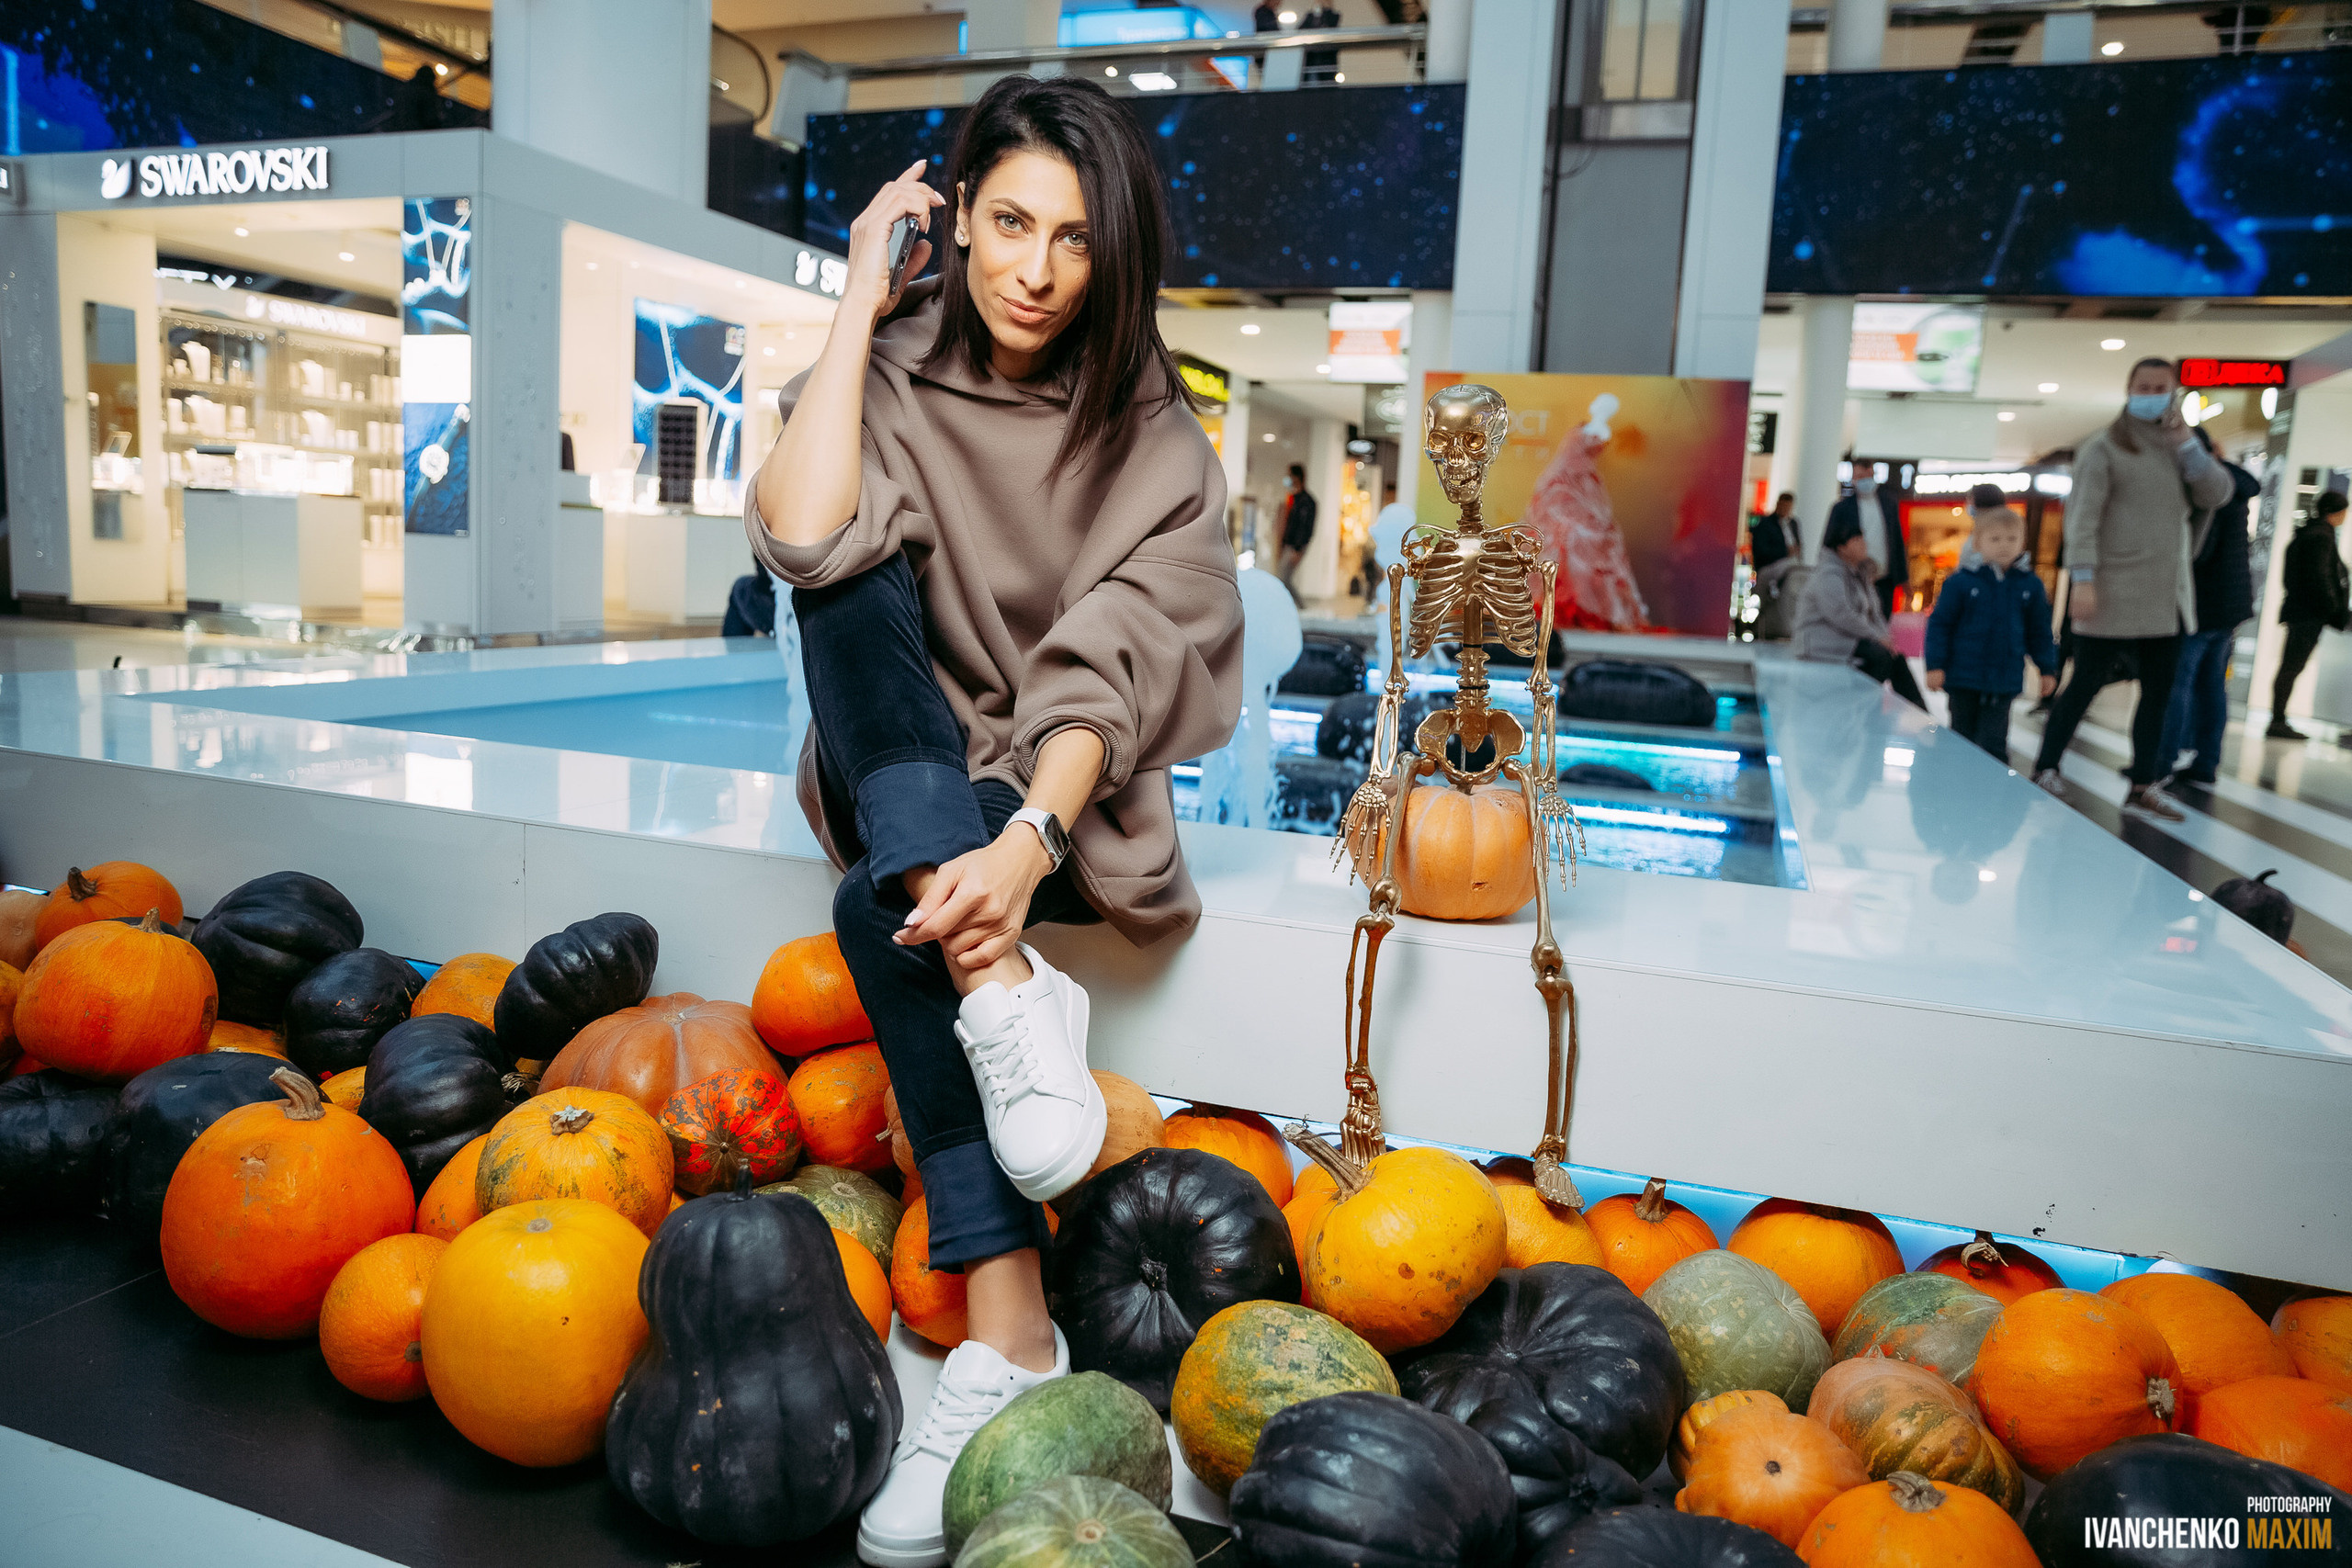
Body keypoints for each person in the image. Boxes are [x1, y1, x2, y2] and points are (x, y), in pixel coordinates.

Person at [743, 76, 1242, 1568]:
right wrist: (853, 302)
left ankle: (1009, 1331)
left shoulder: (1151, 431)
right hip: (914, 773)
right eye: (1007, 222)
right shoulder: (888, 368)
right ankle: (998, 988)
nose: (1031, 268)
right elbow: (803, 529)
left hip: (1064, 795)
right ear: (953, 220)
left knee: (869, 910)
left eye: (1073, 240)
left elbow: (1128, 649)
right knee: (841, 570)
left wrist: (1022, 842)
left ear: (1115, 257)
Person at [2030, 357, 2233, 820]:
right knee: (2082, 685)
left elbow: (2217, 494)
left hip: (2168, 594)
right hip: (2111, 588)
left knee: (2159, 694)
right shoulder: (2103, 447)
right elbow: (2083, 519)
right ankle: (2046, 766)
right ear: (2129, 389)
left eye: (2161, 386)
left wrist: (2187, 446)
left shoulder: (2183, 446)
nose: (2152, 393)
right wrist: (2082, 580)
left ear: (2176, 391)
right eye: (2144, 386)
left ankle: (2143, 783)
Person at [2158, 430, 2261, 781]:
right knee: (2211, 685)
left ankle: (2162, 759)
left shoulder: (2213, 488)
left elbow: (2199, 551)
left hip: (2204, 602)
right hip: (2231, 603)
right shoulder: (2237, 483)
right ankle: (2206, 761)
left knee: (2178, 682)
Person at [1922, 507, 2057, 760]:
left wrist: (2047, 668)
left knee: (1994, 743)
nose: (2004, 546)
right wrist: (1935, 665)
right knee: (1961, 739)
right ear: (1977, 542)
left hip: (2004, 680)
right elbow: (1940, 625)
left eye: (2012, 539)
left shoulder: (2029, 585)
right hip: (1963, 679)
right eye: (1995, 539)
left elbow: (2039, 631)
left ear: (2023, 542)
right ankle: (1955, 787)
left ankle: (1992, 795)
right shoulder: (1961, 582)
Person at [1794, 503, 1927, 708]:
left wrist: (1885, 638)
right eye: (1857, 540)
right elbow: (1840, 614)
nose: (1864, 544)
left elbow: (1874, 613)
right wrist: (1877, 637)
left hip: (1850, 639)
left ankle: (1921, 714)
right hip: (1824, 641)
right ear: (1841, 547)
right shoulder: (1828, 574)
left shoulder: (1860, 574)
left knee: (1894, 657)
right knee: (1882, 658)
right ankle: (1865, 706)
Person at [2265, 490, 2349, 742]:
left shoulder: (2307, 533)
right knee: (2291, 667)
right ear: (2337, 512)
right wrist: (2334, 610)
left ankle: (2278, 719)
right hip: (2308, 614)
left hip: (2302, 611)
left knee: (2289, 667)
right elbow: (2320, 578)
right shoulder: (2320, 537)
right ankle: (2277, 721)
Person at [1824, 468, 1908, 615]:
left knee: (1881, 618)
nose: (1864, 481)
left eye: (1867, 476)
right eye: (1860, 477)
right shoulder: (1842, 508)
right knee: (1855, 618)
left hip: (1884, 580)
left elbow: (1897, 542)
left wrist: (1903, 578)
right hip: (1852, 577)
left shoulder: (1888, 505)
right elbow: (1829, 541)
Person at [1275, 462, 1317, 591]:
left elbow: (1306, 528)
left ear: (1296, 477)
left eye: (1289, 475)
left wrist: (1298, 549)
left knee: (1284, 580)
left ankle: (1299, 607)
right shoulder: (1292, 499)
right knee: (1283, 579)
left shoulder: (1307, 502)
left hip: (1295, 546)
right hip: (1288, 545)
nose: (1287, 478)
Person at [1749, 491, 1798, 571]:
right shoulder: (1765, 524)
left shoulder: (1793, 524)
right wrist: (1785, 551)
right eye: (1784, 506)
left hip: (1792, 564)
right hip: (1770, 567)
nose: (1785, 509)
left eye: (1788, 507)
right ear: (1778, 504)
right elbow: (1760, 550)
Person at [1300, 2, 1341, 84]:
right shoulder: (1310, 17)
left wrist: (1327, 10)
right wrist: (1314, 15)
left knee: (1327, 86)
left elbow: (1332, 26)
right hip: (1312, 60)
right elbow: (1300, 31)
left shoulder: (1333, 16)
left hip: (1326, 61)